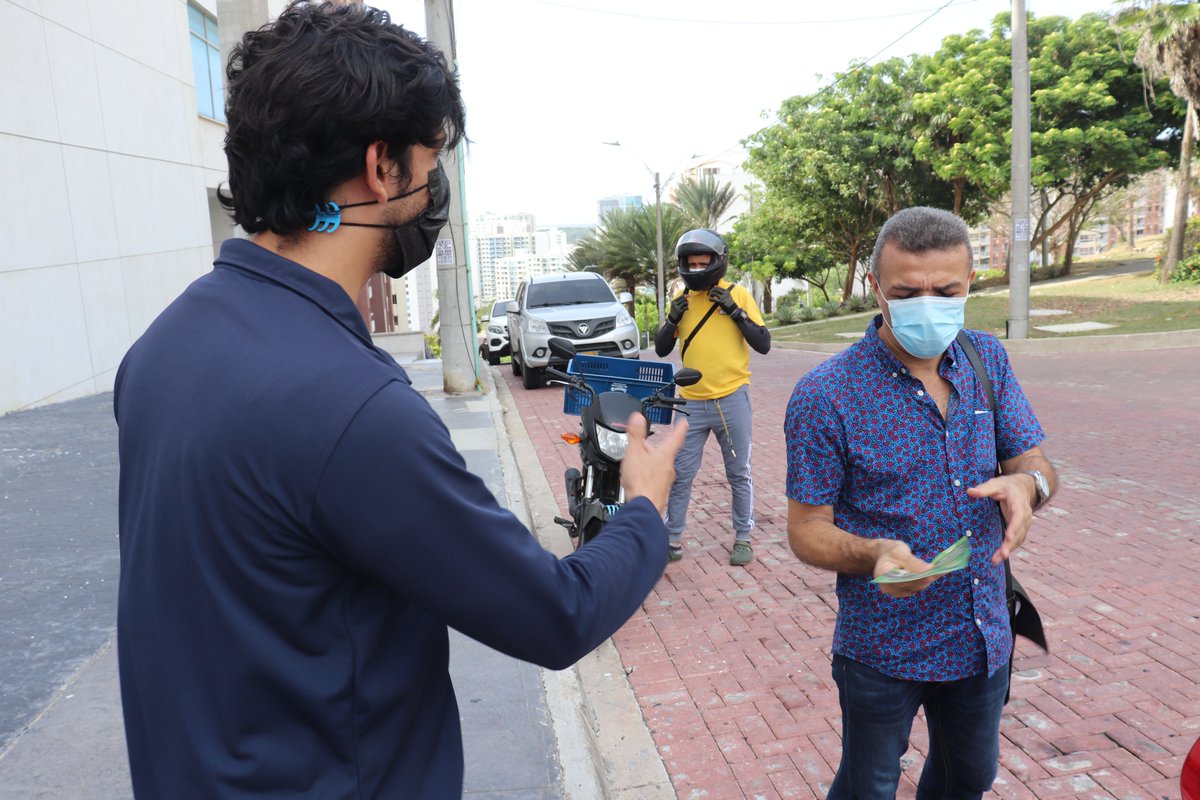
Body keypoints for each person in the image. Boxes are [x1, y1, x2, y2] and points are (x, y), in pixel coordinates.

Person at [112, 4, 687, 798]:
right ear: (383, 167)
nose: (435, 186)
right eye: (432, 158)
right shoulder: (352, 409)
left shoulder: (162, 347)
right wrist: (645, 510)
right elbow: (556, 617)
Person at [784, 206, 1057, 799]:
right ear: (875, 287)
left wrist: (1028, 487)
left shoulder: (988, 360)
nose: (927, 304)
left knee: (969, 778)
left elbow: (1034, 463)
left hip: (983, 633)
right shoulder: (826, 395)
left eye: (946, 290)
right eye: (906, 292)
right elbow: (806, 529)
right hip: (883, 644)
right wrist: (874, 553)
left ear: (969, 285)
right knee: (870, 786)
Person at [654, 229, 771, 565]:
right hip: (689, 402)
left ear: (718, 262)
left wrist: (736, 311)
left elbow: (763, 343)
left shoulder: (739, 294)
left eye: (703, 262)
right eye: (691, 263)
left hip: (731, 399)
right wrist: (672, 318)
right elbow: (663, 348)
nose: (697, 268)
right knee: (680, 473)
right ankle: (672, 539)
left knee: (738, 472)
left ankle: (743, 537)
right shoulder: (681, 298)